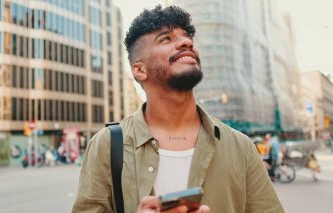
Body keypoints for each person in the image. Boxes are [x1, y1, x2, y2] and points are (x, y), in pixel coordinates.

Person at [72, 5, 284, 213]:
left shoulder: (240, 147)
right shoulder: (106, 145)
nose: (186, 42)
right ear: (139, 69)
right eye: (166, 38)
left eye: (187, 37)